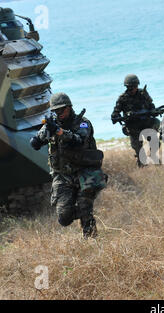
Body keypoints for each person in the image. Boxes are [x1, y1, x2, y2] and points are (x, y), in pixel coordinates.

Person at [30, 93, 107, 239]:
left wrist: (59, 132)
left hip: (85, 172)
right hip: (62, 175)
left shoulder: (83, 123)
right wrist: (44, 132)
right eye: (55, 111)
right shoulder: (52, 125)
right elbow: (35, 143)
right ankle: (84, 213)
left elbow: (78, 140)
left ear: (69, 108)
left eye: (61, 110)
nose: (59, 114)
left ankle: (91, 239)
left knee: (85, 207)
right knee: (64, 218)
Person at [111, 74, 160, 167]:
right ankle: (142, 166)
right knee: (138, 150)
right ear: (127, 87)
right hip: (133, 127)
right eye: (130, 88)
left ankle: (155, 160)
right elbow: (115, 114)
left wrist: (153, 111)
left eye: (134, 87)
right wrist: (118, 118)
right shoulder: (122, 98)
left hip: (146, 124)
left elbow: (151, 106)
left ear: (137, 86)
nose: (132, 89)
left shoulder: (143, 93)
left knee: (155, 143)